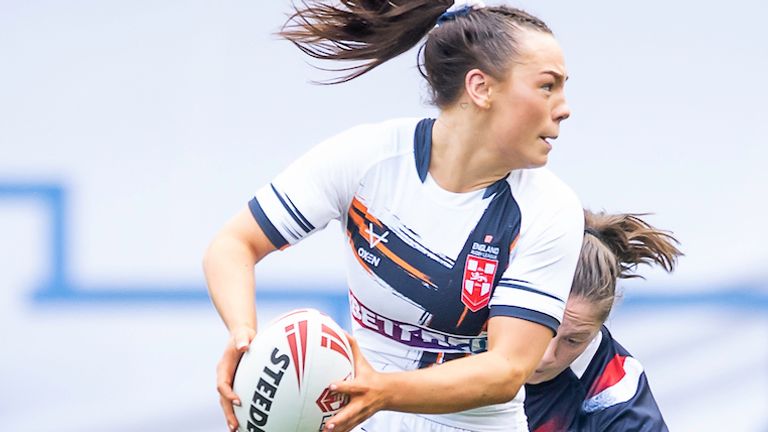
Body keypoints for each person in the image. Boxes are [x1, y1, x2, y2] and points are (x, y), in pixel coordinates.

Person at [204, 1, 584, 431]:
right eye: (547, 86)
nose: (565, 107)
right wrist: (244, 339)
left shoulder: (549, 209)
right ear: (481, 88)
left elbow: (505, 371)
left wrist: (383, 391)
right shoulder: (369, 158)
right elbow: (233, 245)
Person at [524, 210, 682, 432]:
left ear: (600, 326)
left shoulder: (616, 395)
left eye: (573, 340)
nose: (546, 356)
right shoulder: (466, 330)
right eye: (541, 326)